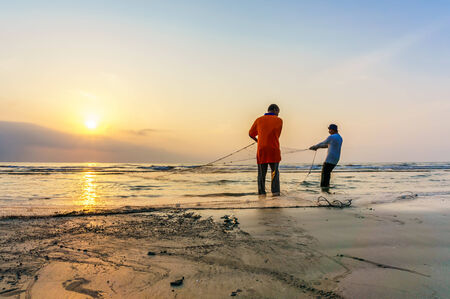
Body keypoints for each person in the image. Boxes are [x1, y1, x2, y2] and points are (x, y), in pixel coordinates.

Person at [249, 104, 283, 196]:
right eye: (278, 112)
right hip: (274, 149)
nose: (278, 114)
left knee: (261, 173)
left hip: (262, 150)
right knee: (274, 172)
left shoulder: (258, 120)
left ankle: (261, 193)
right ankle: (275, 193)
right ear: (275, 110)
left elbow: (251, 134)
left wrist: (258, 140)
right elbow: (277, 135)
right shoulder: (279, 120)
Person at [309, 124, 343, 190]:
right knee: (327, 174)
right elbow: (327, 145)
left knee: (324, 174)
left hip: (329, 159)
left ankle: (324, 189)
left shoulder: (332, 137)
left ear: (332, 130)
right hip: (336, 159)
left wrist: (315, 146)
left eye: (329, 130)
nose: (329, 131)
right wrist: (317, 147)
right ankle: (327, 187)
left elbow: (323, 142)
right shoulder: (340, 137)